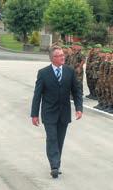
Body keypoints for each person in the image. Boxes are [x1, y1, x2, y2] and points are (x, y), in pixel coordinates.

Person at [30, 46, 83, 179]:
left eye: (63, 55)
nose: (63, 57)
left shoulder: (69, 71)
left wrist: (79, 108)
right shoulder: (43, 73)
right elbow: (37, 95)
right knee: (52, 138)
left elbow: (76, 91)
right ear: (53, 58)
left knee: (60, 140)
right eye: (59, 55)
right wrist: (34, 114)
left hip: (64, 112)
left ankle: (56, 163)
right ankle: (54, 165)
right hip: (49, 113)